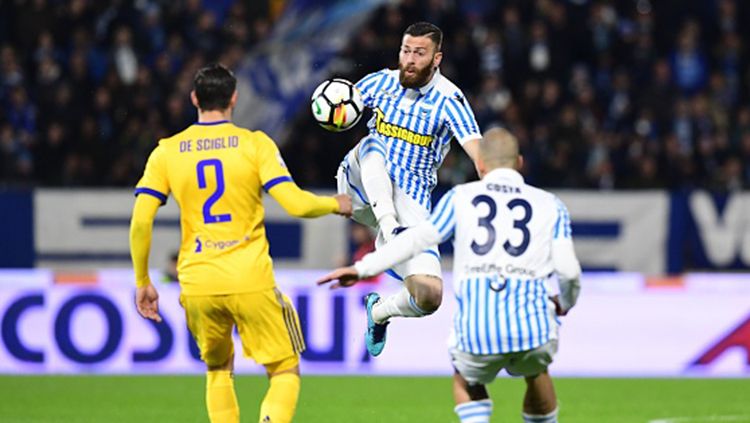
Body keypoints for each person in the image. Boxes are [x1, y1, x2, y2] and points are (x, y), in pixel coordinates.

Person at [129, 64, 352, 423]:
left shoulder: (166, 151)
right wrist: (336, 204)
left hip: (198, 281)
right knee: (284, 367)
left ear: (194, 99)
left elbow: (141, 220)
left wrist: (142, 282)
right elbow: (296, 204)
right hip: (250, 278)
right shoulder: (255, 144)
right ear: (234, 98)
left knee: (217, 368)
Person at [320, 128, 581, 423]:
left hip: (477, 328)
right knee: (536, 372)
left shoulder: (461, 198)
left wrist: (362, 268)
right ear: (519, 162)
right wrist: (566, 302)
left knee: (467, 378)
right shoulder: (551, 205)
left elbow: (415, 239)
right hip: (533, 326)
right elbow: (569, 272)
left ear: (480, 165)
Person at [338, 21, 482, 356]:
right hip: (360, 185)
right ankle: (389, 230)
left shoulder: (450, 100)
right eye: (406, 51)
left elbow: (477, 150)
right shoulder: (380, 82)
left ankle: (379, 313)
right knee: (374, 145)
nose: (410, 60)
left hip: (410, 203)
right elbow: (341, 106)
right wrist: (334, 111)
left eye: (420, 53)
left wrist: (498, 177)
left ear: (437, 59)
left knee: (429, 295)